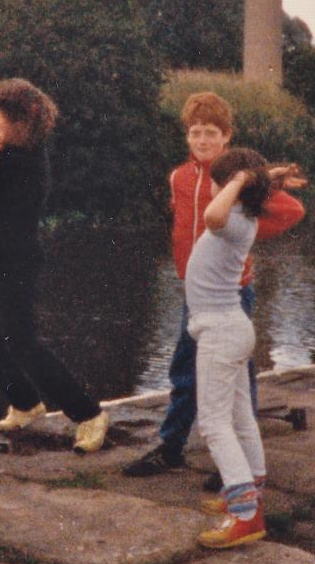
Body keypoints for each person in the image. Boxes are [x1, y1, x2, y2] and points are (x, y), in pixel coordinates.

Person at [123, 93, 304, 477]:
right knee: (184, 369)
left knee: (238, 377)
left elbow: (292, 210)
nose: (203, 141)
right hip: (194, 289)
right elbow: (181, 225)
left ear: (226, 138)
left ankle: (234, 462)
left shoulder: (237, 182)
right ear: (187, 136)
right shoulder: (178, 177)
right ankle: (171, 448)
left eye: (211, 134)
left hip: (232, 291)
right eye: (195, 133)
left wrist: (244, 233)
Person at [0, 78, 109, 453]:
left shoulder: (21, 164)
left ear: (20, 123)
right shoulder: (7, 156)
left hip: (12, 263)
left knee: (23, 343)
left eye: (0, 116)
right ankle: (25, 403)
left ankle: (89, 414)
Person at [187, 147, 288, 548]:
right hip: (231, 327)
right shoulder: (243, 214)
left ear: (231, 185)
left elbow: (211, 213)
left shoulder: (229, 220)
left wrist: (240, 179)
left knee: (213, 423)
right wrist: (263, 175)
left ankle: (245, 513)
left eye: (220, 180)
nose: (214, 185)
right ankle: (248, 491)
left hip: (220, 332)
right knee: (240, 416)